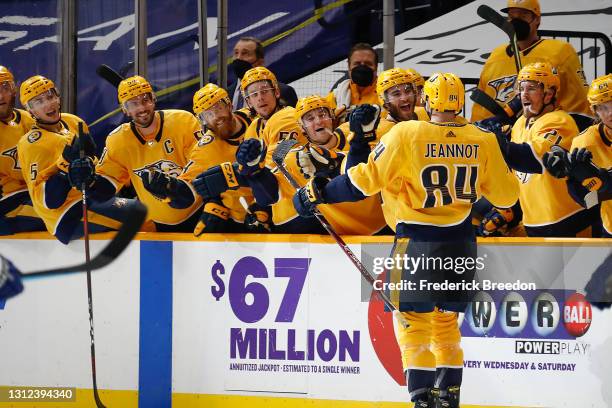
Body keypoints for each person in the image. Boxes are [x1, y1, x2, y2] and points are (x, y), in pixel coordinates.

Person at [293, 73, 519, 407]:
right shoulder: (481, 137)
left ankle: (422, 400)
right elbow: (508, 195)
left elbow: (362, 183)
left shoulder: (407, 133)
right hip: (461, 241)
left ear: (427, 101)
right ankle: (449, 397)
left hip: (417, 239)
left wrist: (320, 192)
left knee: (413, 324)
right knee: (446, 323)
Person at [236, 95, 387, 234]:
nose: (318, 121)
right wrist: (255, 172)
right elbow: (269, 197)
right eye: (310, 118)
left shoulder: (353, 129)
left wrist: (361, 138)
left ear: (332, 117)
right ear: (301, 127)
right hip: (348, 238)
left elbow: (361, 178)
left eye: (322, 115)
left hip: (387, 225)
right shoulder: (295, 158)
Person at [17, 75, 141, 244]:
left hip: (89, 198)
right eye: (38, 102)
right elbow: (48, 201)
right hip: (67, 215)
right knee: (143, 216)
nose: (48, 104)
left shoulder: (74, 122)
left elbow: (95, 166)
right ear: (30, 110)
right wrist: (65, 163)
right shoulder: (32, 144)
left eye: (50, 96)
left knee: (148, 206)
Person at [480, 62, 597, 237]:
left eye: (532, 88)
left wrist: (493, 141)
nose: (523, 94)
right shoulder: (520, 124)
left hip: (570, 223)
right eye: (521, 88)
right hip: (534, 223)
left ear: (549, 93)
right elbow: (518, 176)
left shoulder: (559, 121)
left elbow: (531, 159)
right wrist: (509, 210)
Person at [78, 75, 202, 232]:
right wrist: (90, 182)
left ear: (153, 99)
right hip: (158, 226)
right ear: (125, 109)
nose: (142, 108)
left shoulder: (183, 121)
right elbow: (107, 186)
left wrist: (175, 188)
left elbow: (201, 165)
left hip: (199, 215)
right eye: (133, 104)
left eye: (145, 100)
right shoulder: (118, 140)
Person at [140, 83, 256, 235]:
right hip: (243, 220)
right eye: (207, 114)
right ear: (202, 121)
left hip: (275, 205)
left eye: (218, 108)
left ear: (229, 105)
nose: (215, 117)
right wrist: (169, 189)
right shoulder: (205, 149)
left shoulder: (256, 118)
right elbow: (187, 189)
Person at [471, 0, 590, 122]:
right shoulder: (496, 56)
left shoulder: (560, 51)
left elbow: (579, 102)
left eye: (523, 15)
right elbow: (481, 106)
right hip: (498, 134)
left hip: (544, 131)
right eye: (512, 16)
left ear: (537, 19)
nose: (516, 21)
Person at [544, 73, 611, 236]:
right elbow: (588, 202)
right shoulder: (585, 142)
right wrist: (572, 179)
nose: (610, 113)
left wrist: (603, 182)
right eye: (602, 107)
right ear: (595, 111)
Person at [0, 66, 45, 235]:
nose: (0, 96)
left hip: (33, 195)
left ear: (14, 89)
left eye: (4, 88)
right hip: (7, 205)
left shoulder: (29, 118)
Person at [227, 36, 298, 109]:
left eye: (245, 53)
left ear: (260, 62)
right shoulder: (226, 93)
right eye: (236, 53)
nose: (238, 58)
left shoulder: (284, 91)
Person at [326, 43, 380, 121]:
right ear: (349, 66)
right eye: (357, 64)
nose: (362, 67)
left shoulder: (386, 95)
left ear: (376, 67)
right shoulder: (336, 97)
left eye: (368, 64)